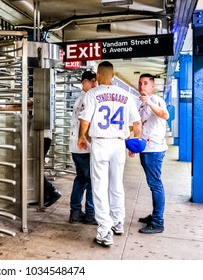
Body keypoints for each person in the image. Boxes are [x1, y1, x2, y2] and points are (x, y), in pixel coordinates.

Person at [77, 61, 142, 247]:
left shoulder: (92, 94)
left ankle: (105, 231)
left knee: (99, 187)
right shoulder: (127, 95)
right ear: (113, 76)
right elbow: (137, 124)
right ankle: (118, 222)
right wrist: (135, 143)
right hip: (119, 144)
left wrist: (81, 137)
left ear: (97, 75)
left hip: (101, 143)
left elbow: (85, 122)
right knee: (116, 184)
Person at [0, 101, 61, 207]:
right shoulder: (41, 100)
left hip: (42, 138)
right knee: (34, 167)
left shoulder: (41, 99)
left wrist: (5, 108)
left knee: (36, 167)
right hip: (39, 137)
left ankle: (52, 191)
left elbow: (24, 105)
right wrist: (6, 108)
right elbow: (24, 105)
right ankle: (39, 196)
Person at [134, 73, 169, 234]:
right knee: (152, 184)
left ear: (152, 86)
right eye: (140, 83)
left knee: (155, 185)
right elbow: (139, 125)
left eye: (146, 83)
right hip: (145, 149)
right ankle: (154, 216)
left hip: (155, 150)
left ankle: (158, 222)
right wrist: (134, 146)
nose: (142, 86)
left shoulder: (156, 100)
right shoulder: (140, 103)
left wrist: (149, 102)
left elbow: (165, 115)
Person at [68, 70, 97, 224]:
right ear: (84, 82)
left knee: (80, 179)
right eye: (92, 81)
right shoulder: (88, 98)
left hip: (76, 146)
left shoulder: (80, 98)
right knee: (92, 180)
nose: (95, 84)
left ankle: (75, 213)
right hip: (83, 146)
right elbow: (85, 123)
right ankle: (90, 214)